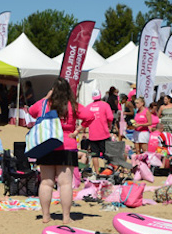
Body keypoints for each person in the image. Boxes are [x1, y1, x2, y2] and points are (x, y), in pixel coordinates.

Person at [28, 77, 79, 224]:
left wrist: (46, 97)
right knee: (65, 184)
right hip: (67, 145)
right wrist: (78, 131)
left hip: (46, 144)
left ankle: (45, 216)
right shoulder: (72, 105)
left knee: (46, 182)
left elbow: (31, 111)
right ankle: (66, 217)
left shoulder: (45, 104)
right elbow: (89, 116)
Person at [80, 90, 114, 175]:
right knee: (109, 153)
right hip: (104, 134)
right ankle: (108, 170)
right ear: (100, 95)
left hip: (93, 135)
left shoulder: (88, 107)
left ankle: (97, 172)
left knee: (95, 155)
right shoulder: (105, 105)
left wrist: (84, 132)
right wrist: (109, 125)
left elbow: (84, 120)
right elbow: (110, 117)